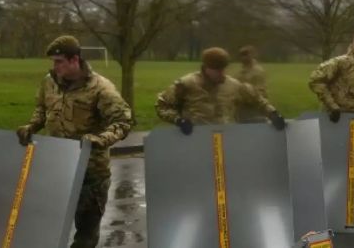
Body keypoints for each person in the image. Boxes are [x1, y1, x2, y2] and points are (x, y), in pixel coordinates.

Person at [16, 36, 133, 248]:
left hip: (90, 173)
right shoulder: (49, 82)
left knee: (86, 235)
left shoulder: (101, 88)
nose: (55, 66)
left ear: (75, 60)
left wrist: (100, 139)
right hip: (57, 167)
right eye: (53, 61)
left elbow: (123, 121)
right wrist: (31, 126)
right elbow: (42, 108)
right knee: (48, 226)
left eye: (59, 61)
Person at [155, 47, 286, 133]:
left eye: (223, 69)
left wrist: (273, 114)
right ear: (206, 67)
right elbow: (162, 105)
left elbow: (258, 100)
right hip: (194, 140)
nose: (221, 73)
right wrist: (179, 120)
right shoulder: (186, 84)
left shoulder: (234, 85)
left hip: (227, 140)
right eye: (217, 70)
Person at [234, 45, 269, 123]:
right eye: (242, 54)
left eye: (246, 54)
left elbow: (261, 92)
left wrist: (245, 97)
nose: (243, 57)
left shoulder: (257, 71)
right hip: (241, 110)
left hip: (254, 110)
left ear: (252, 55)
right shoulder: (240, 71)